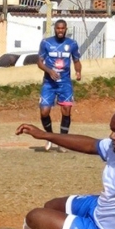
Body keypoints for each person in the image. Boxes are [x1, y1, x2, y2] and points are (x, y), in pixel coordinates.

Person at [37, 19, 81, 151]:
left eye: (62, 28)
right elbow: (39, 62)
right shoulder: (46, 43)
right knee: (44, 111)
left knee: (66, 110)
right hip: (49, 82)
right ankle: (49, 137)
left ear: (66, 29)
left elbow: (76, 60)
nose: (60, 30)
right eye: (58, 28)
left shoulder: (72, 44)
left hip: (65, 83)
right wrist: (49, 71)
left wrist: (78, 72)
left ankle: (62, 141)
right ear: (55, 29)